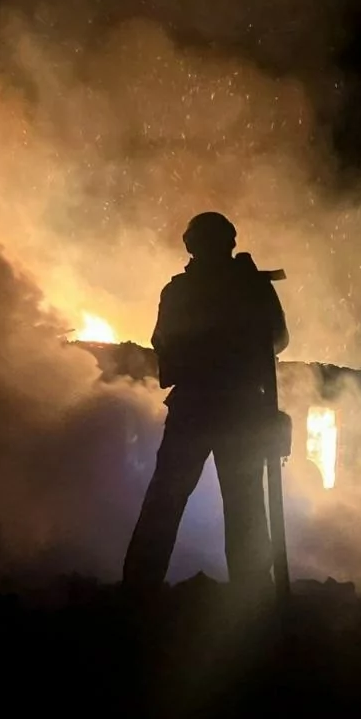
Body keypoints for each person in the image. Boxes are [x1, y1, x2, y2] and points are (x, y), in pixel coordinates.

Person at [122, 212, 289, 599]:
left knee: (172, 498)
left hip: (201, 406)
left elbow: (163, 339)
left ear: (192, 246)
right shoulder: (247, 287)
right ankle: (251, 593)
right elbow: (278, 339)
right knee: (241, 501)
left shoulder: (185, 290)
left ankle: (140, 589)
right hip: (236, 407)